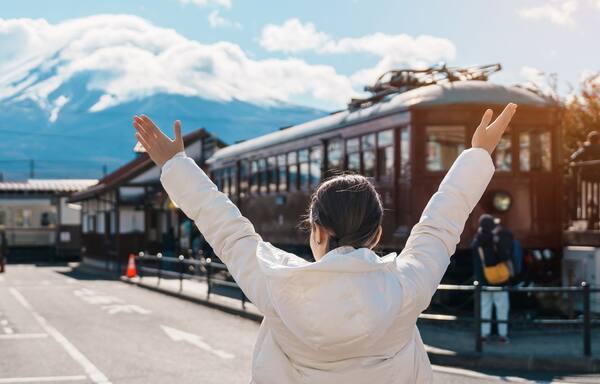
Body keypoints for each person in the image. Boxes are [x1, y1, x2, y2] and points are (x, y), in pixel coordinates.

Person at [133, 103, 517, 384]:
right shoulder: (405, 287)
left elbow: (226, 228)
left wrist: (177, 165)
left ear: (315, 231)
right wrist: (478, 154)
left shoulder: (277, 285)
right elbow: (440, 225)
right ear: (378, 235)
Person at [471, 215, 513, 343]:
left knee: (484, 308)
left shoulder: (477, 241)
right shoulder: (496, 239)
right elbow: (504, 256)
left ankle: (484, 335)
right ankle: (502, 335)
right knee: (502, 308)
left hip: (483, 281)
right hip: (499, 280)